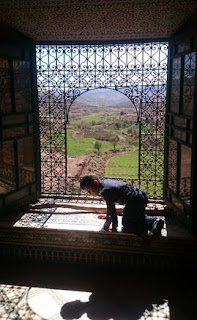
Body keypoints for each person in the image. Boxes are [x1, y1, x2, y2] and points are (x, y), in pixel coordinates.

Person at [80, 173, 164, 236]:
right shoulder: (105, 185)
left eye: (89, 190)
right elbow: (109, 204)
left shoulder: (105, 191)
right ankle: (154, 223)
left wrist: (114, 227)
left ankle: (151, 223)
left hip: (134, 201)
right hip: (140, 197)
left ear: (95, 182)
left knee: (127, 224)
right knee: (136, 218)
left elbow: (112, 209)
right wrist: (107, 215)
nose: (89, 193)